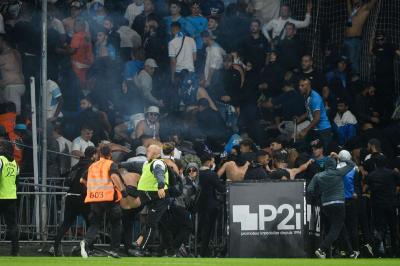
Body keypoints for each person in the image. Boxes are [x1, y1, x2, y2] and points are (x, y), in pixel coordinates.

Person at [307, 152, 359, 259]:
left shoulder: (318, 176)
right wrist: (339, 157)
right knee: (336, 227)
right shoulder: (339, 172)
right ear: (335, 164)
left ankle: (350, 252)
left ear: (325, 165)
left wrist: (319, 195)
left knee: (340, 227)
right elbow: (352, 164)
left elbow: (310, 189)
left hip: (325, 205)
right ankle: (321, 249)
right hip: (339, 203)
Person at [80, 145, 124, 258]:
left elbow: (82, 180)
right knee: (115, 224)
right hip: (109, 199)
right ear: (110, 154)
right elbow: (114, 176)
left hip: (95, 198)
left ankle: (86, 241)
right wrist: (122, 190)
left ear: (99, 154)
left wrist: (93, 188)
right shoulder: (111, 164)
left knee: (95, 223)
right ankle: (114, 250)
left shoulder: (92, 166)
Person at [53, 146, 97, 256]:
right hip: (82, 198)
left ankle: (55, 248)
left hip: (70, 196)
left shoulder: (77, 165)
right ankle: (90, 248)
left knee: (66, 223)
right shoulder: (91, 166)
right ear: (93, 155)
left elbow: (68, 178)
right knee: (91, 223)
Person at [133, 144, 170, 256]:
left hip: (159, 198)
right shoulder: (146, 163)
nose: (147, 152)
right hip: (151, 198)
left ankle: (141, 248)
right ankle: (170, 248)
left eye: (150, 151)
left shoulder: (157, 163)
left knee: (151, 224)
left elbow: (159, 174)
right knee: (160, 224)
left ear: (157, 154)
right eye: (148, 150)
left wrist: (160, 186)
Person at [366, 154, 400, 256]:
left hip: (377, 206)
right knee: (393, 227)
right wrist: (394, 193)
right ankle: (395, 251)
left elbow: (366, 188)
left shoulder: (371, 175)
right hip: (391, 204)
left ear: (375, 164)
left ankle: (380, 247)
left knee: (381, 228)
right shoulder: (393, 173)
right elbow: (398, 186)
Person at [197, 152, 225, 257]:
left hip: (199, 205)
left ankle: (200, 248)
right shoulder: (211, 174)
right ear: (209, 162)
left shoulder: (197, 173)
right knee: (208, 229)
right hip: (211, 205)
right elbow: (221, 189)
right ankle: (205, 251)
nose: (213, 163)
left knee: (202, 227)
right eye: (213, 161)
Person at [297, 77, 332, 149]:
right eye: (299, 85)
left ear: (308, 86)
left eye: (302, 86)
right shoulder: (305, 96)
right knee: (309, 148)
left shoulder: (315, 98)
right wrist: (299, 118)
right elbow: (309, 111)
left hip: (323, 130)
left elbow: (317, 118)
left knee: (324, 152)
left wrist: (305, 130)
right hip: (315, 129)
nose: (299, 88)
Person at [345, 0, 378, 76]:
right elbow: (349, 7)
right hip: (347, 40)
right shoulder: (353, 11)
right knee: (346, 62)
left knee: (353, 63)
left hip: (354, 40)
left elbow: (372, 2)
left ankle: (355, 80)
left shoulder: (364, 9)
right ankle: (351, 79)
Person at [0, 140, 19, 256]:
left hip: (1, 196)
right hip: (11, 196)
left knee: (12, 225)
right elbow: (17, 181)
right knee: (12, 225)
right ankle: (15, 251)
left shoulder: (1, 160)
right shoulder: (15, 163)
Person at [0, 34, 25, 114]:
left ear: (3, 42)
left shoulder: (6, 56)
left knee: (13, 114)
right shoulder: (16, 52)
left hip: (12, 86)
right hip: (18, 85)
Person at [69, 19, 94, 89]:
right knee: (84, 83)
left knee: (77, 85)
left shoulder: (77, 36)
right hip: (88, 63)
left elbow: (72, 50)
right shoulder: (87, 35)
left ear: (81, 26)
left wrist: (65, 48)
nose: (73, 27)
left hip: (78, 64)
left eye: (75, 25)